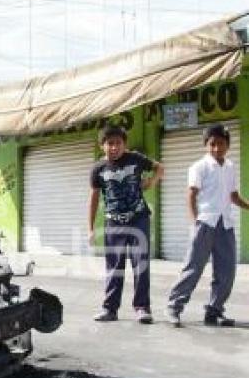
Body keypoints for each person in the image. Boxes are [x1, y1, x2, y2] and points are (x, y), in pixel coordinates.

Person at [165, 124, 249, 327]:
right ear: (206, 145)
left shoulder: (230, 167)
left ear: (228, 145)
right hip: (205, 222)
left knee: (227, 271)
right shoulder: (199, 167)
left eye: (221, 144)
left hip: (225, 224)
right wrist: (194, 221)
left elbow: (234, 196)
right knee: (193, 268)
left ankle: (214, 310)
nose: (217, 148)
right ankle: (174, 308)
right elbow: (191, 194)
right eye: (212, 144)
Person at [89, 125, 164, 323]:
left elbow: (159, 167)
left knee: (140, 264)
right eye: (110, 143)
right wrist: (90, 228)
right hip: (113, 222)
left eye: (118, 143)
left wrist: (151, 182)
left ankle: (142, 308)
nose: (114, 147)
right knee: (114, 266)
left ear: (125, 144)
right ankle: (110, 309)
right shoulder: (98, 168)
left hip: (139, 219)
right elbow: (94, 198)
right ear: (102, 146)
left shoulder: (136, 159)